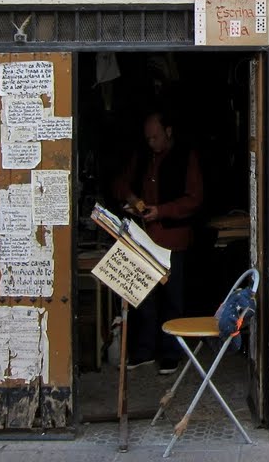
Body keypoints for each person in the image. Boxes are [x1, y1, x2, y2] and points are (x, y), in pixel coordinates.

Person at [115, 110, 203, 374]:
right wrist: (132, 199)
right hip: (144, 237)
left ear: (168, 131)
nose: (151, 142)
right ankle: (144, 351)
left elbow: (194, 199)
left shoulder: (186, 157)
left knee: (172, 298)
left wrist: (160, 211)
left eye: (155, 137)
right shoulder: (142, 155)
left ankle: (170, 353)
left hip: (172, 238)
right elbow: (121, 184)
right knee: (143, 295)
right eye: (148, 138)